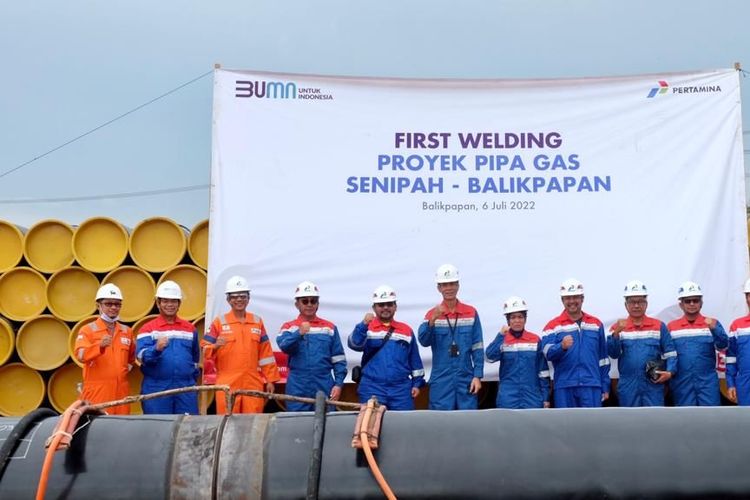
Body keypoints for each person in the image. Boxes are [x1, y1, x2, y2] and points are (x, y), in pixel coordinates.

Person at [203, 275, 281, 414]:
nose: (239, 299)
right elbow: (205, 350)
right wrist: (215, 346)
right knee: (227, 423)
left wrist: (270, 379)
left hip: (253, 382)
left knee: (252, 423)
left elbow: (266, 354)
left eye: (243, 296)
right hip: (227, 383)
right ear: (228, 299)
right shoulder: (219, 322)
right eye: (234, 296)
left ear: (248, 298)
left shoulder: (257, 321)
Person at [418, 264, 484, 410]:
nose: (449, 288)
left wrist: (477, 376)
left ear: (458, 285)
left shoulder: (471, 312)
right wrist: (432, 321)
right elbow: (423, 341)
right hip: (441, 378)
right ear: (439, 288)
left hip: (465, 376)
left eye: (452, 284)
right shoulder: (432, 314)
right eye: (444, 284)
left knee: (468, 420)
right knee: (439, 421)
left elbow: (477, 346)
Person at [348, 285, 425, 410]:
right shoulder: (367, 328)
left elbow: (415, 360)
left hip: (401, 390)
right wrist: (363, 325)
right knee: (370, 427)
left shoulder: (406, 330)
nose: (385, 308)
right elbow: (354, 344)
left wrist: (417, 384)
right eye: (381, 304)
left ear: (395, 306)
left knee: (403, 427)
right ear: (374, 307)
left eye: (389, 304)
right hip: (372, 388)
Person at [277, 281, 347, 411]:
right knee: (297, 424)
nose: (309, 304)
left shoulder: (329, 328)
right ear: (297, 304)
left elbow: (339, 359)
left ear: (318, 304)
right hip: (298, 385)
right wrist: (298, 333)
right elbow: (283, 345)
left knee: (326, 425)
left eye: (313, 301)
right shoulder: (289, 327)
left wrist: (338, 384)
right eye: (305, 301)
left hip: (324, 383)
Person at [608, 280, 677, 407]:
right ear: (626, 304)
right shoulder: (617, 327)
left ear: (646, 303)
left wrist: (670, 372)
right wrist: (616, 335)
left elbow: (671, 353)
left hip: (653, 385)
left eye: (640, 301)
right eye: (632, 302)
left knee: (654, 421)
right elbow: (613, 354)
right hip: (628, 385)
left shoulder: (659, 326)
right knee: (630, 422)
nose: (636, 305)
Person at [542, 278, 610, 408]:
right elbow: (547, 353)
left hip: (591, 385)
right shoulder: (553, 326)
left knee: (592, 425)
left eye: (575, 297)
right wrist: (561, 347)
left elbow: (603, 359)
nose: (572, 301)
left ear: (582, 298)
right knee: (566, 427)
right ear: (562, 300)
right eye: (568, 298)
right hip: (565, 385)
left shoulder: (596, 324)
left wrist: (605, 385)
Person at [136, 280, 200, 414]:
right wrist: (156, 349)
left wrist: (189, 379)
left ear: (179, 304)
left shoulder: (190, 329)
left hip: (185, 389)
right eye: (165, 301)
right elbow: (141, 356)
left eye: (174, 301)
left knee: (187, 429)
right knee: (157, 429)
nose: (170, 305)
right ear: (158, 303)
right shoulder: (148, 329)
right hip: (157, 389)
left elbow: (195, 359)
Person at [74, 283, 135, 414]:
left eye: (117, 304)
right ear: (98, 305)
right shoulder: (88, 330)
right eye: (108, 304)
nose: (113, 307)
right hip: (97, 392)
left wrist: (120, 372)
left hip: (121, 392)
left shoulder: (127, 331)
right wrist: (98, 347)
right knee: (97, 429)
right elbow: (80, 355)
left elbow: (131, 358)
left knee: (121, 428)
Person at [667, 281, 728, 406]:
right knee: (685, 420)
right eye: (687, 301)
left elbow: (724, 346)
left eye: (695, 300)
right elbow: (668, 355)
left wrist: (715, 329)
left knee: (711, 418)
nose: (692, 304)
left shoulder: (712, 323)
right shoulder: (672, 327)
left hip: (707, 381)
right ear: (681, 304)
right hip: (681, 382)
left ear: (701, 303)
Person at [485, 296, 550, 409]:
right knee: (508, 427)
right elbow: (489, 358)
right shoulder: (502, 340)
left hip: (532, 397)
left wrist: (545, 398)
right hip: (508, 397)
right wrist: (500, 336)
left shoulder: (535, 340)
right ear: (508, 320)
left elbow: (543, 372)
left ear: (525, 319)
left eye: (520, 317)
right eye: (513, 317)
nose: (517, 321)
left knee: (532, 427)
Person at [727, 278, 750, 405]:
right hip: (745, 384)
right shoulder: (737, 326)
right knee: (747, 421)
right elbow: (731, 358)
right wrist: (730, 384)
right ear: (747, 298)